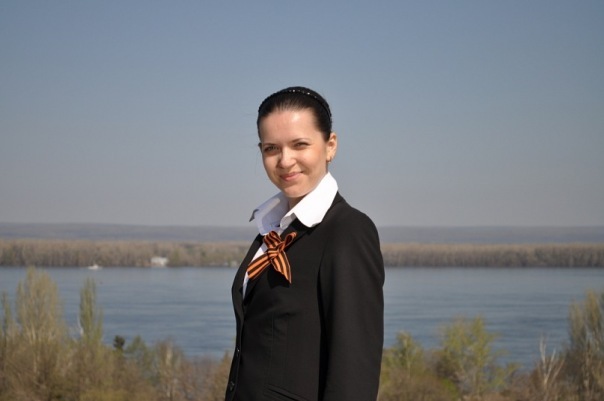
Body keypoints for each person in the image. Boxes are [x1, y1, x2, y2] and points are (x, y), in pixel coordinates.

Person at [225, 86, 384, 401]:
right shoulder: (271, 228)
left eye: (300, 144)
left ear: (330, 146)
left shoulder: (347, 231)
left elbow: (354, 372)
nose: (285, 160)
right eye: (271, 148)